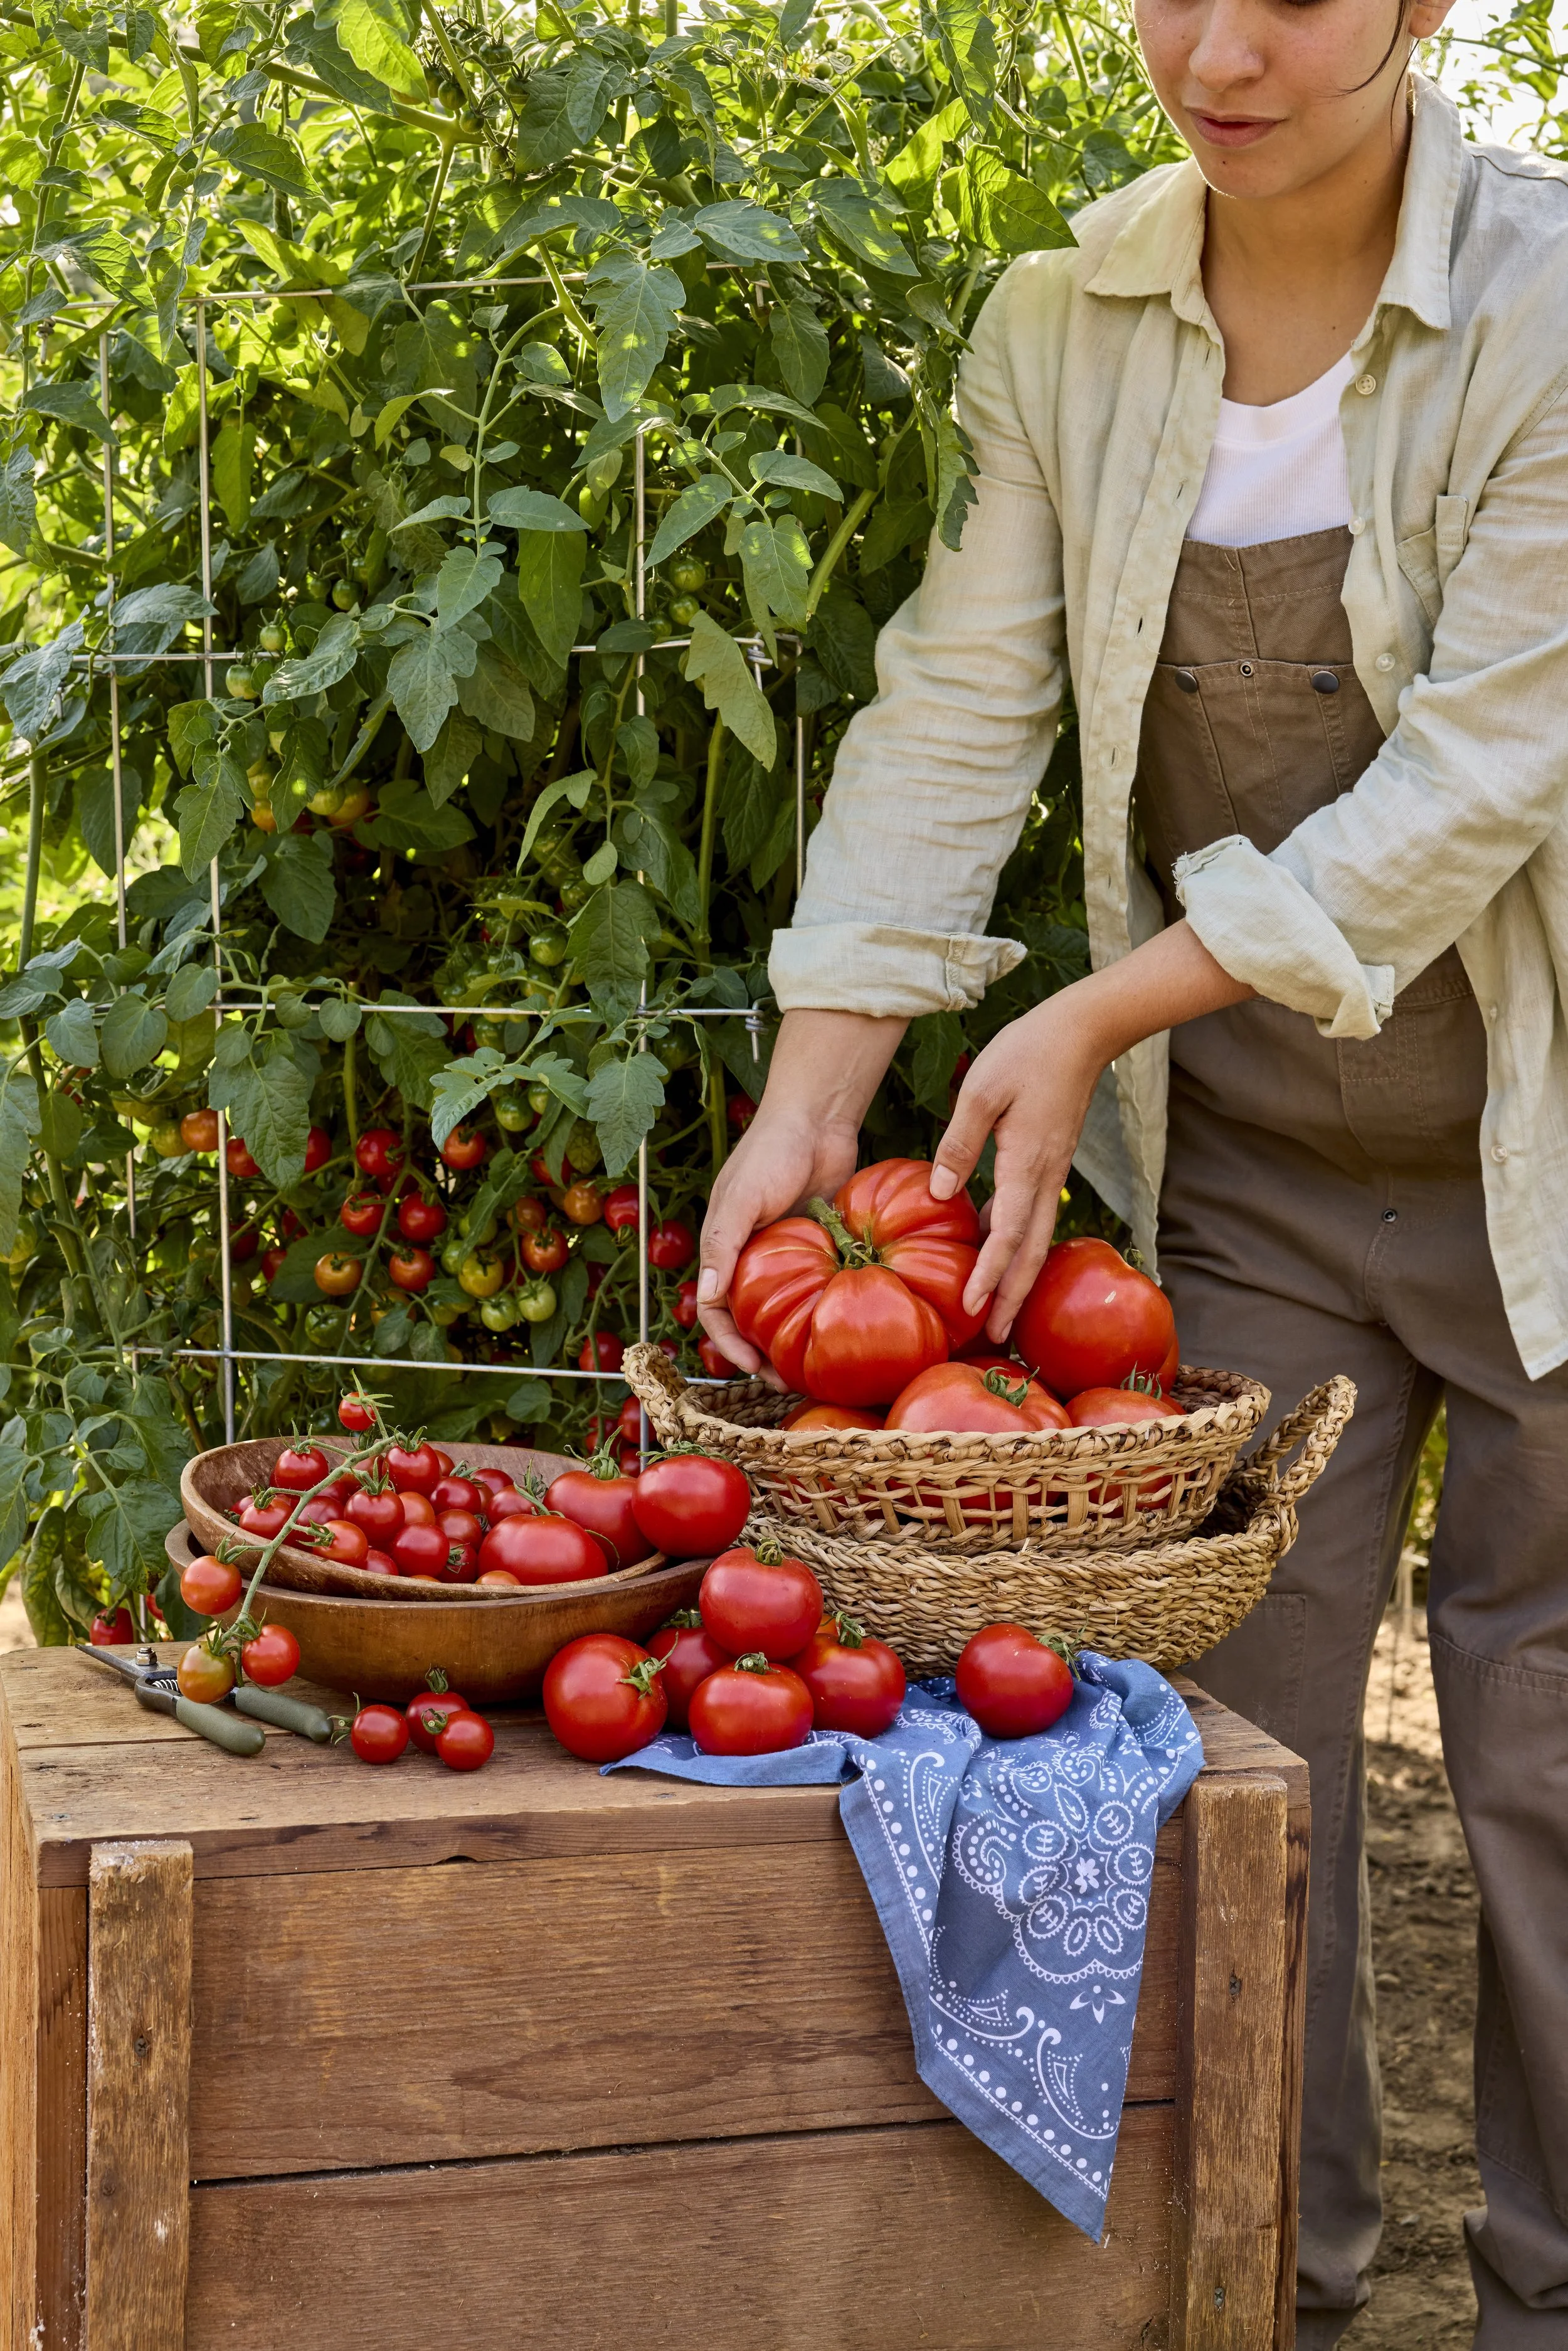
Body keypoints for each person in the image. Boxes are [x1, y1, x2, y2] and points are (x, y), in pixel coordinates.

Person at [694, 2, 1568, 2343]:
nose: (1216, 44)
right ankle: (1256, 2276)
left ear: (1419, 8)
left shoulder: (1547, 308)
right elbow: (957, 698)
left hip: (1545, 1150)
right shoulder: (1060, 321)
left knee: (1543, 1735)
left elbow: (1480, 776)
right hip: (1258, 1171)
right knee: (1227, 1748)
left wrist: (1088, 1011)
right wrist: (816, 1084)